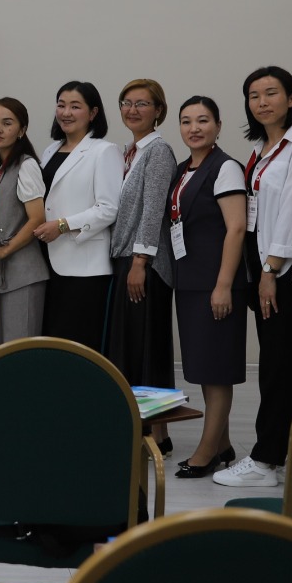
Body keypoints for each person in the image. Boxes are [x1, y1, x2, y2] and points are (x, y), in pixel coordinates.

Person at [215, 66, 292, 488]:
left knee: (277, 366)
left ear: (291, 99)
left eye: (271, 93)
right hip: (261, 267)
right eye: (254, 95)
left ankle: (265, 461)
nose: (261, 102)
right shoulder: (261, 148)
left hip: (284, 273)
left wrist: (270, 270)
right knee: (290, 365)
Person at [166, 97, 249, 479]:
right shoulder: (183, 169)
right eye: (186, 121)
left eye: (202, 120)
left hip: (215, 283)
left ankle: (206, 452)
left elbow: (236, 228)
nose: (194, 128)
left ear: (218, 125)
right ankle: (223, 443)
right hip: (190, 281)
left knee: (217, 371)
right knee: (204, 367)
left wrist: (223, 286)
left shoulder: (225, 167)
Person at [105, 78, 177, 452]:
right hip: (126, 260)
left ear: (158, 110)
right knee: (131, 348)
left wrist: (140, 261)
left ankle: (158, 435)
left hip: (145, 265)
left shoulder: (158, 151)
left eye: (142, 104)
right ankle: (139, 429)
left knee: (149, 350)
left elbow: (153, 210)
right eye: (127, 103)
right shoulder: (128, 152)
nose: (132, 110)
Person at [34, 81, 122, 350]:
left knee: (77, 345)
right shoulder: (50, 150)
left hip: (84, 266)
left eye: (75, 106)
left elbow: (108, 208)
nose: (66, 113)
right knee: (52, 342)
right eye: (61, 105)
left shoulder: (104, 151)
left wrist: (62, 225)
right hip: (47, 260)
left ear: (93, 113)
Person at [0, 98, 50, 344]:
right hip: (3, 272)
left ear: (21, 130)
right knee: (5, 347)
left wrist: (4, 250)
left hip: (24, 273)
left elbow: (37, 219)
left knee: (20, 349)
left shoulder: (26, 165)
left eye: (7, 123)